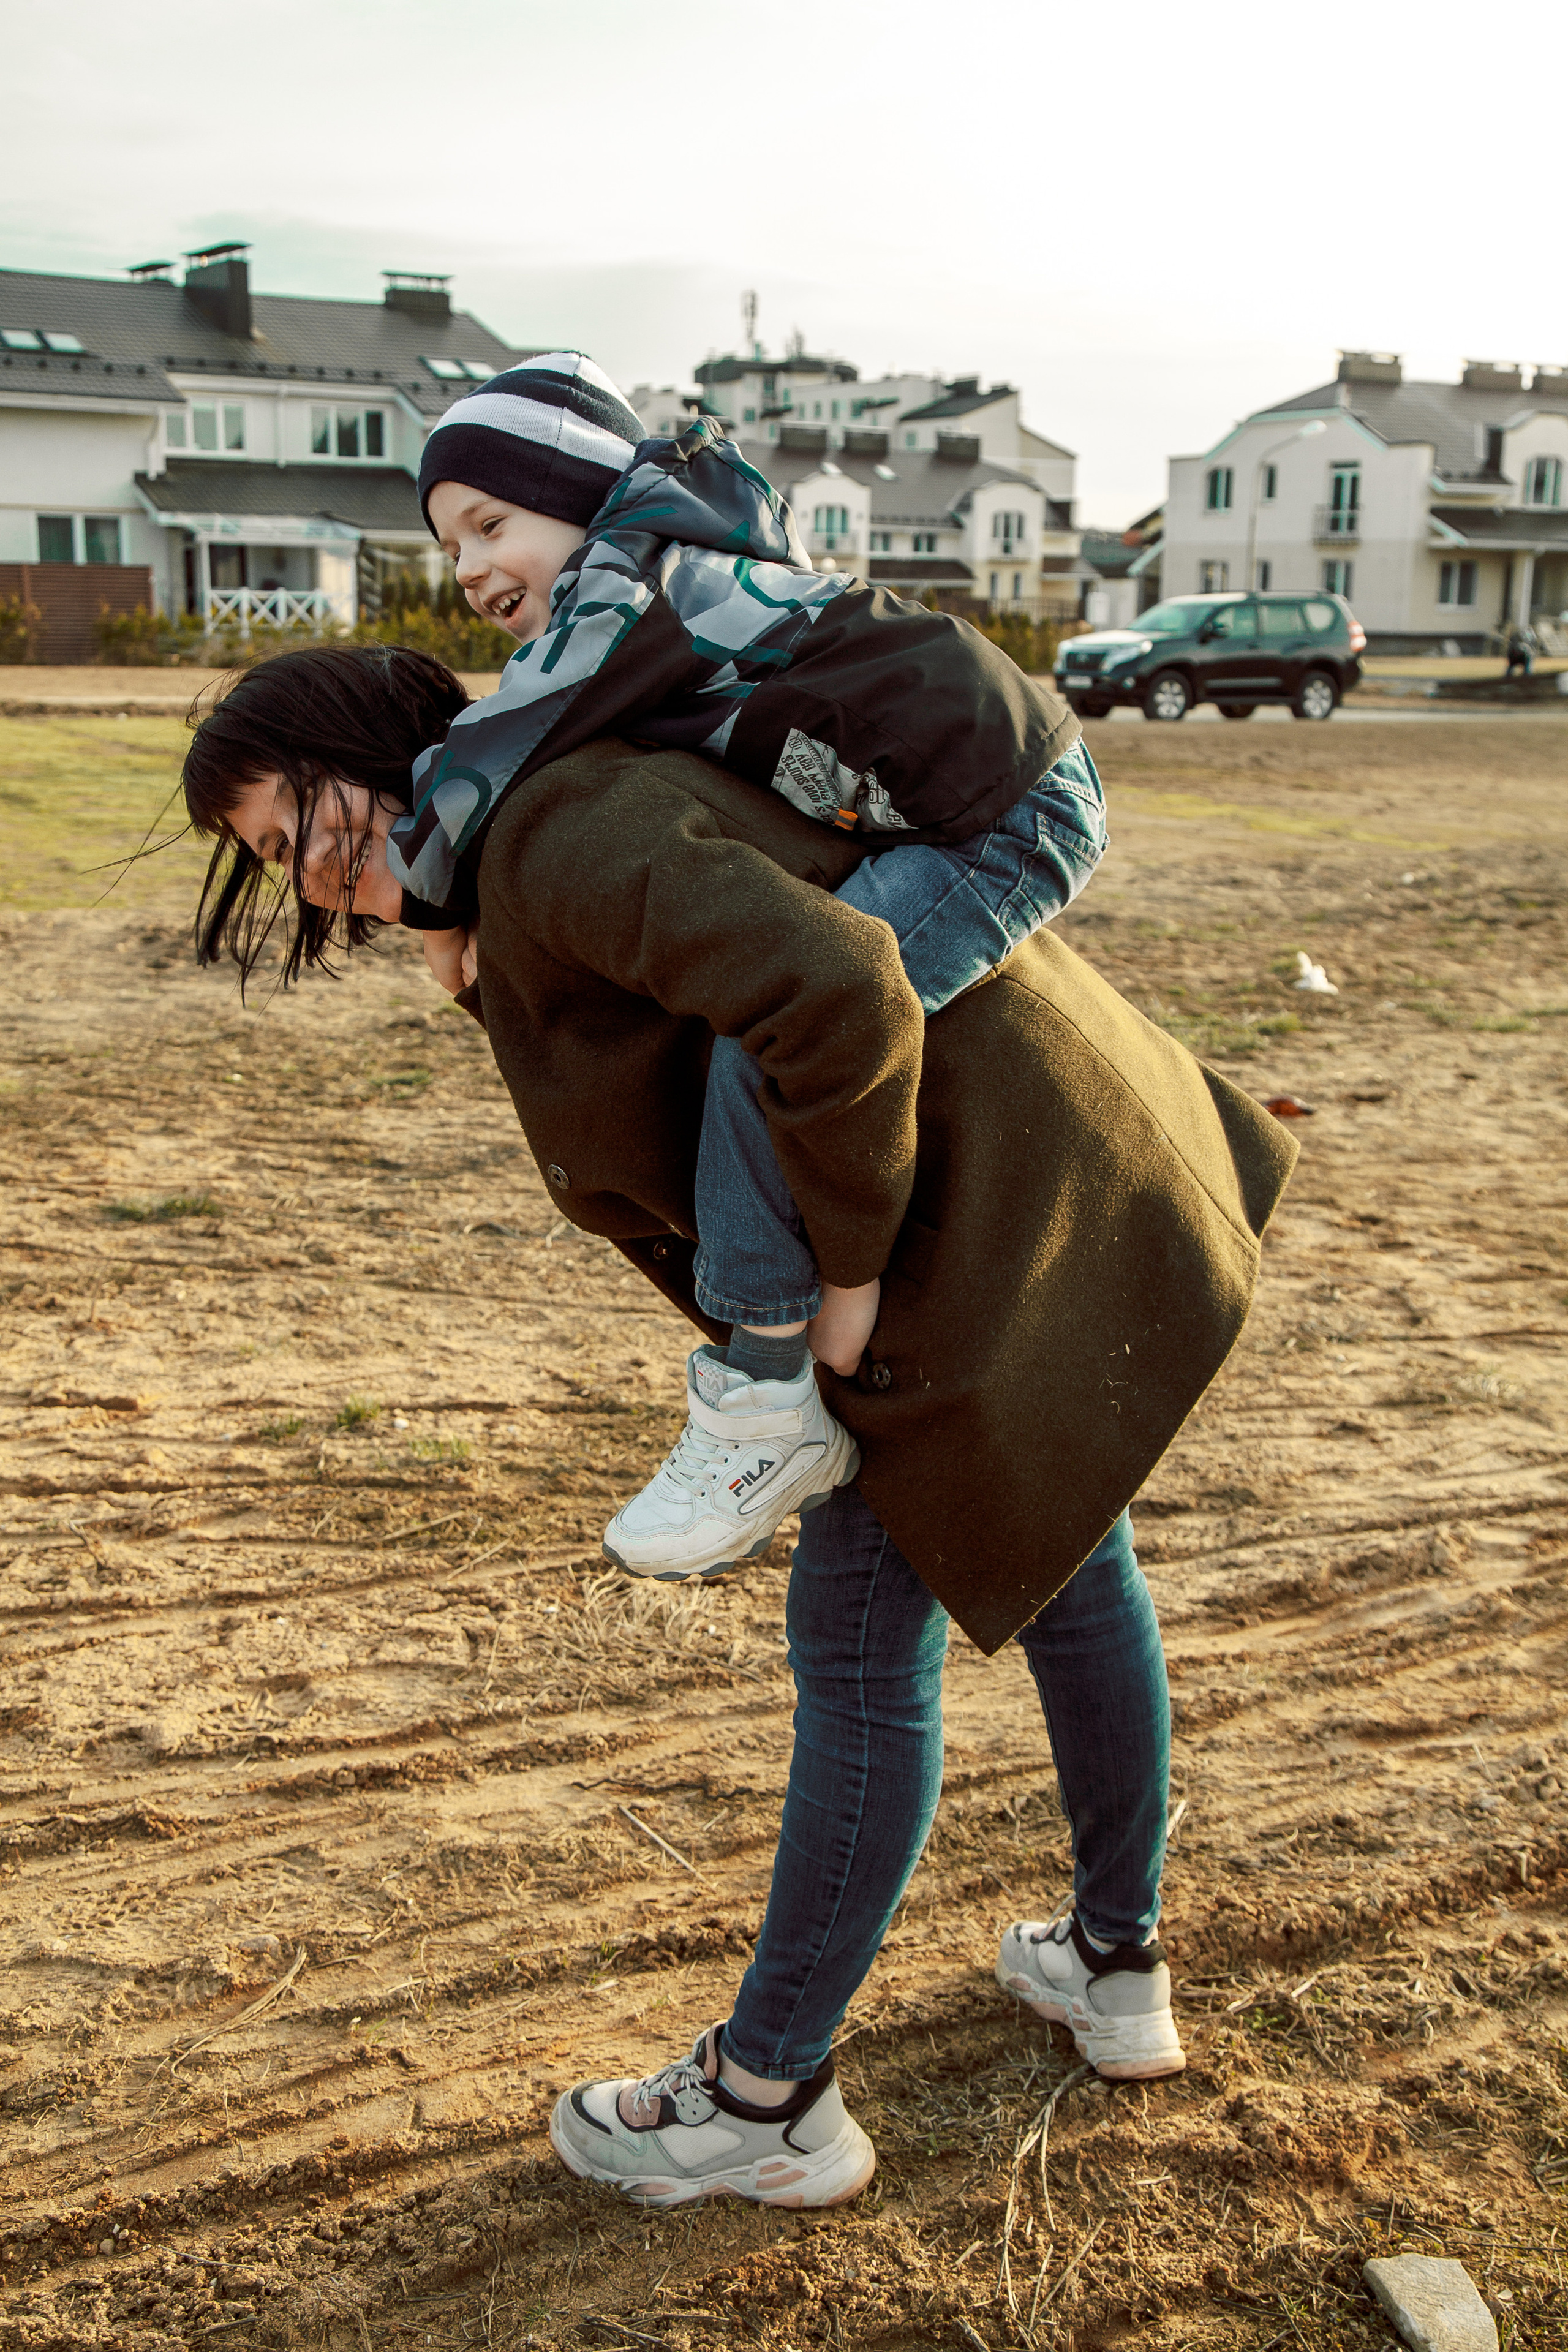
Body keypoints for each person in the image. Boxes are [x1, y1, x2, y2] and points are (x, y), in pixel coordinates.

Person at [183, 644, 1297, 2209]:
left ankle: (768, 2095)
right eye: (271, 864)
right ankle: (1114, 1971)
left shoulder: (560, 831)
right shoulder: (524, 856)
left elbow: (834, 990)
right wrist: (462, 935)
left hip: (923, 1259)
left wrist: (819, 1304)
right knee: (1074, 1559)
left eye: (297, 826)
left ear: (373, 751)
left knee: (859, 1660)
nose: (307, 877)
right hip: (997, 1202)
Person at [394, 352, 1108, 1585]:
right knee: (782, 1020)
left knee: (774, 1042)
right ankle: (802, 1338)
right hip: (963, 790)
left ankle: (762, 1393)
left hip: (1001, 812)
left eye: (490, 525)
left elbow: (506, 731)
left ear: (579, 493)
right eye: (448, 546)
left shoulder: (635, 586)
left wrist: (429, 900)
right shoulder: (658, 572)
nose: (468, 571)